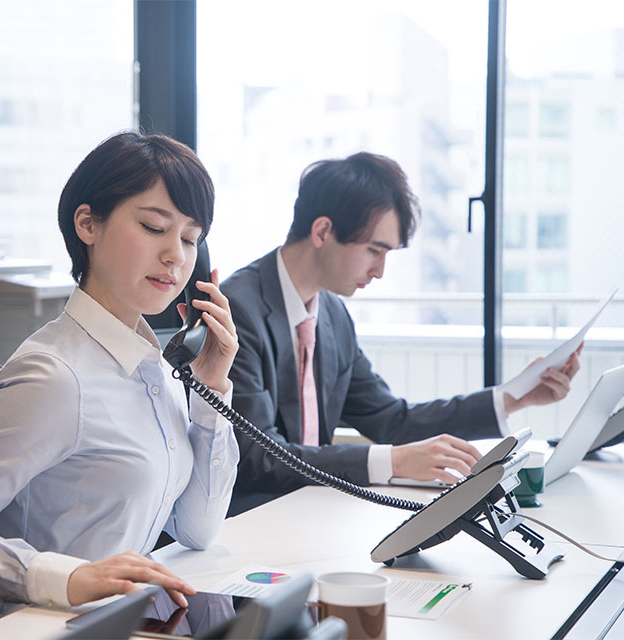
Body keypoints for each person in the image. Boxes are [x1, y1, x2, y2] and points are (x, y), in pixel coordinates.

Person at [0, 131, 240, 634]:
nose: (176, 255)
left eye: (190, 239)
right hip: (39, 626)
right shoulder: (53, 376)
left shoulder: (156, 369)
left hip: (122, 624)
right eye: (153, 227)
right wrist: (69, 576)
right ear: (88, 224)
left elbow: (197, 529)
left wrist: (211, 391)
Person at [221, 152, 580, 515]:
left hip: (314, 514)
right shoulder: (237, 308)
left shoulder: (332, 316)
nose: (379, 271)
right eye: (374, 250)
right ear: (323, 232)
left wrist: (514, 397)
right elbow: (259, 458)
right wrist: (392, 462)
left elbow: (392, 420)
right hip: (251, 523)